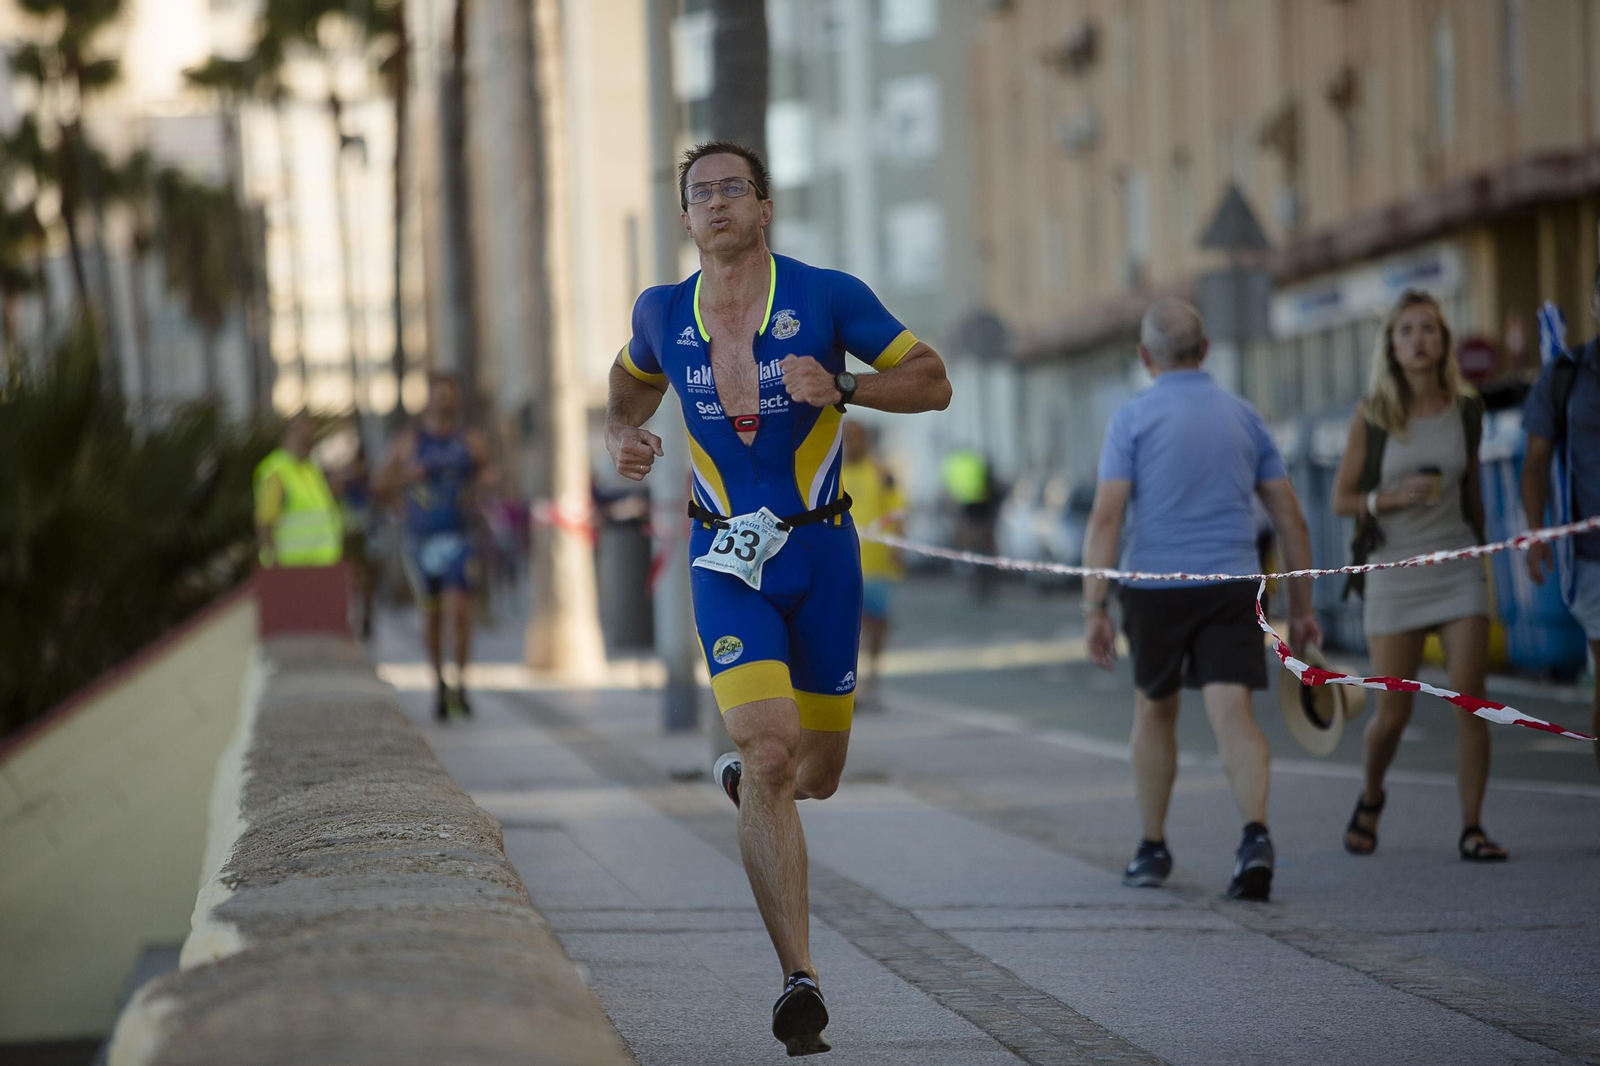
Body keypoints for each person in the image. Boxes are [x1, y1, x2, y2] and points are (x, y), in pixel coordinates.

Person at [604, 140, 950, 1056]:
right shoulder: (660, 312)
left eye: (732, 188)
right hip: (725, 557)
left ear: (764, 207)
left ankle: (749, 784)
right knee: (767, 752)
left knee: (816, 774)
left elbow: (936, 378)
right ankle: (801, 978)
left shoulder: (828, 296)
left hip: (823, 553)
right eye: (699, 192)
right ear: (685, 217)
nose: (715, 202)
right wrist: (622, 436)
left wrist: (847, 386)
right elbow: (627, 385)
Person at [1082, 298, 1320, 902]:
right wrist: (1304, 608)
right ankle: (1255, 837)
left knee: (1154, 711)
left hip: (1155, 587)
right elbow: (1290, 518)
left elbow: (1107, 516)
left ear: (1145, 357)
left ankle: (1153, 847)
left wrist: (1095, 606)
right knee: (1231, 712)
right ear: (1206, 351)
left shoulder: (1130, 419)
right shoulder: (1245, 417)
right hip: (1232, 584)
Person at [1332, 290, 1505, 861]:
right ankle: (1372, 795)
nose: (1418, 340)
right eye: (1406, 331)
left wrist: (1490, 555)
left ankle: (1473, 827)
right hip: (1395, 572)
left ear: (1443, 341)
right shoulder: (1373, 414)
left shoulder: (1467, 409)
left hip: (1456, 566)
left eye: (1428, 329)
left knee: (1472, 701)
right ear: (1392, 346)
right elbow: (1341, 499)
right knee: (1393, 713)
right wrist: (1387, 499)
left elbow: (1473, 489)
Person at [377, 374, 493, 722]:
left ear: (455, 400)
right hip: (421, 541)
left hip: (459, 538)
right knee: (432, 617)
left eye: (449, 396)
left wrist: (485, 485)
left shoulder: (469, 440)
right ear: (428, 399)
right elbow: (380, 483)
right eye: (438, 395)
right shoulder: (410, 441)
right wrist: (405, 482)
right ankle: (439, 684)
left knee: (459, 612)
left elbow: (489, 474)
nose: (444, 401)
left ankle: (461, 683)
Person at [1522, 270, 1600, 777]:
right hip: (1593, 559)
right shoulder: (1567, 373)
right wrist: (1536, 532)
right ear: (1593, 302)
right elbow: (1534, 462)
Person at [840, 421, 905, 710]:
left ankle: (872, 680)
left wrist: (897, 546)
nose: (851, 443)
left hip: (876, 564)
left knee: (876, 625)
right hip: (841, 563)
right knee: (844, 625)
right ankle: (845, 684)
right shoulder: (831, 473)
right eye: (846, 438)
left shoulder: (881, 472)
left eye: (856, 438)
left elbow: (896, 510)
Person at [254, 413, 342, 569]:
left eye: (311, 439)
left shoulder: (310, 470)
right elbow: (264, 521)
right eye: (305, 438)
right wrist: (271, 564)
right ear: (291, 435)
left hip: (322, 568)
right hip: (292, 570)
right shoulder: (277, 471)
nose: (309, 444)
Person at [339, 441, 377, 640]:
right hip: (353, 535)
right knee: (353, 579)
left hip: (369, 536)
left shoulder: (371, 483)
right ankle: (353, 619)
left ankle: (367, 620)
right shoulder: (349, 484)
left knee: (368, 581)